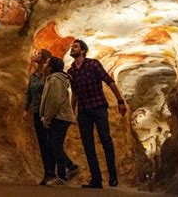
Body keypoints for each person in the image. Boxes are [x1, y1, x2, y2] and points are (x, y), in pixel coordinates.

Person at [68, 39, 127, 189]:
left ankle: (113, 176)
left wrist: (120, 101)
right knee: (88, 145)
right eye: (72, 47)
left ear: (82, 50)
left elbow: (109, 81)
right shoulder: (71, 71)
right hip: (83, 111)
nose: (72, 48)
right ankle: (96, 180)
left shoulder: (93, 64)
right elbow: (74, 92)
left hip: (99, 107)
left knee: (105, 140)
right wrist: (71, 110)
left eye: (75, 46)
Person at [23, 50, 79, 185]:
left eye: (38, 54)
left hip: (49, 114)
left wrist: (47, 117)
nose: (34, 55)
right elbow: (29, 93)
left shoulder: (52, 78)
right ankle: (57, 172)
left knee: (52, 144)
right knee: (48, 144)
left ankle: (58, 173)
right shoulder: (35, 76)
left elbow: (53, 99)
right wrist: (26, 109)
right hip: (39, 112)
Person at [39, 56, 77, 186]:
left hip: (60, 117)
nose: (44, 65)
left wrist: (47, 118)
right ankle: (70, 167)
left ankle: (62, 176)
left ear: (51, 67)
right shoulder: (53, 79)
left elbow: (54, 101)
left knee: (56, 145)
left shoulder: (55, 80)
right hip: (59, 117)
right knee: (53, 144)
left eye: (46, 63)